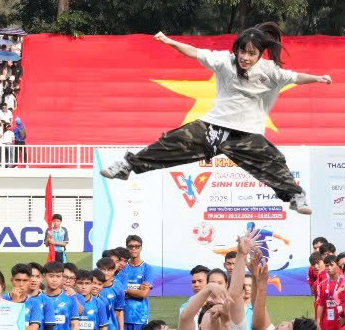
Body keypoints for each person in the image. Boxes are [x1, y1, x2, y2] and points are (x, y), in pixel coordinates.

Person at [96, 25, 329, 214]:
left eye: (251, 54)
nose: (245, 58)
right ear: (236, 50)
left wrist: (319, 78)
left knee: (272, 161)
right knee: (174, 141)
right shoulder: (224, 61)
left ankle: (296, 196)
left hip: (247, 134)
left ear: (260, 54)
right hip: (214, 126)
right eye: (242, 52)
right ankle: (128, 166)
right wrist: (170, 42)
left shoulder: (270, 71)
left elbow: (296, 77)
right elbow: (194, 52)